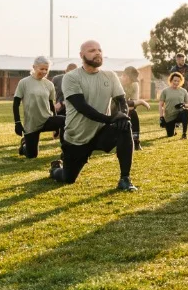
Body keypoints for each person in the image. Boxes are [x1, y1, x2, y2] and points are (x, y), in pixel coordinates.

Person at [49, 40, 137, 191]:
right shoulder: (71, 77)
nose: (97, 53)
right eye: (92, 50)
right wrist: (110, 119)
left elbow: (121, 100)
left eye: (99, 50)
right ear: (81, 55)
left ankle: (125, 179)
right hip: (77, 136)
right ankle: (56, 169)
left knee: (124, 126)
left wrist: (122, 115)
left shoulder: (110, 76)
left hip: (101, 131)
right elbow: (82, 107)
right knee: (68, 179)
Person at [13, 56, 65, 159]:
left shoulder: (49, 84)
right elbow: (16, 104)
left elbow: (51, 104)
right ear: (34, 67)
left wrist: (57, 127)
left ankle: (66, 151)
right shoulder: (24, 82)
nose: (44, 71)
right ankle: (24, 146)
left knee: (66, 120)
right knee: (32, 155)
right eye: (42, 69)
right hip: (32, 123)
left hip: (47, 119)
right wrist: (17, 123)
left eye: (46, 69)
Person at [121, 66, 149, 151]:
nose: (132, 81)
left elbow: (133, 104)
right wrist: (141, 102)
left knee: (133, 112)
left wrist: (138, 102)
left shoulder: (134, 84)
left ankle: (136, 141)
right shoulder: (117, 83)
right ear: (124, 76)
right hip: (111, 108)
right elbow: (117, 102)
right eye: (131, 78)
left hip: (123, 108)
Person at [158, 72, 188, 139]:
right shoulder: (165, 91)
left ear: (181, 82)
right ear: (171, 80)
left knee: (186, 111)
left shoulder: (184, 91)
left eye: (178, 81)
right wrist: (161, 118)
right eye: (175, 80)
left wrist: (183, 105)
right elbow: (160, 105)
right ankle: (173, 129)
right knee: (170, 135)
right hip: (169, 116)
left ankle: (184, 134)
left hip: (179, 114)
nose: (176, 82)